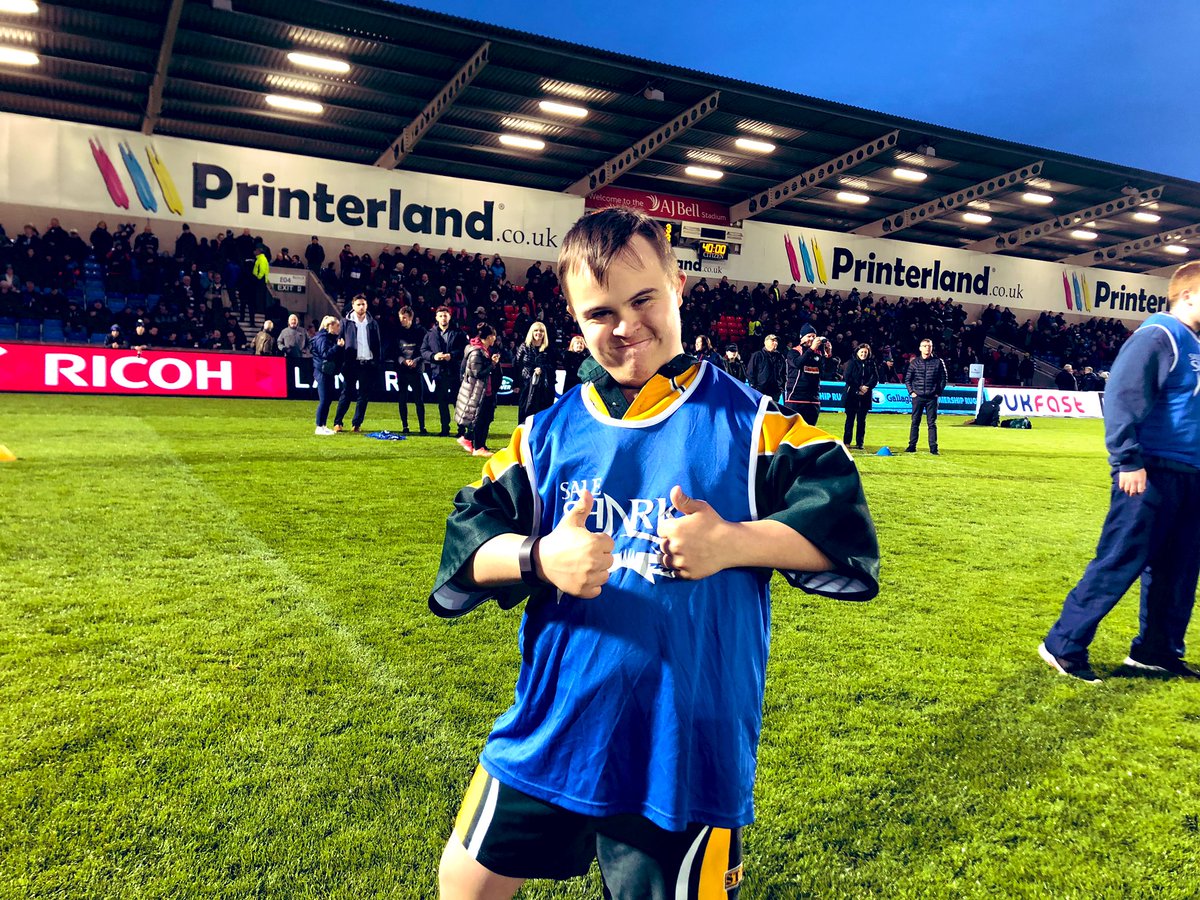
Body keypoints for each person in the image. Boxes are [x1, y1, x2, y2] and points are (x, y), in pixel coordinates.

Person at [430, 207, 879, 899]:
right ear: (576, 320)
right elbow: (467, 543)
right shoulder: (544, 436)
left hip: (682, 745)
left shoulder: (753, 424)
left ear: (677, 283)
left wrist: (732, 543)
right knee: (464, 883)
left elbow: (845, 532)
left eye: (643, 299)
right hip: (555, 722)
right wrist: (540, 558)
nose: (625, 325)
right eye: (599, 312)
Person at [1039, 261, 1200, 684]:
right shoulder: (1158, 335)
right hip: (1152, 470)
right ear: (1186, 295)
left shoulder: (1194, 343)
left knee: (1180, 569)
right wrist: (1128, 460)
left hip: (1190, 473)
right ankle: (1063, 644)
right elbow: (1123, 395)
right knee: (1119, 560)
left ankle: (1157, 650)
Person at [332, 294, 381, 433]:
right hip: (351, 363)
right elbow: (339, 341)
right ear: (353, 306)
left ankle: (357, 424)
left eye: (363, 304)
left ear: (367, 306)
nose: (361, 307)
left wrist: (376, 361)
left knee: (363, 396)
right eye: (358, 304)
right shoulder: (345, 322)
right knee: (347, 393)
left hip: (367, 363)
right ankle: (338, 422)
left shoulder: (372, 323)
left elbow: (377, 344)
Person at [454, 322, 501, 457]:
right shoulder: (476, 352)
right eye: (493, 336)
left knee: (481, 418)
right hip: (479, 392)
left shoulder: (480, 350)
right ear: (488, 337)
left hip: (481, 391)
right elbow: (477, 373)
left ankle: (470, 440)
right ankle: (478, 447)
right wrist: (492, 364)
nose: (495, 339)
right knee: (481, 420)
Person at [421, 306, 467, 438]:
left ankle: (461, 429)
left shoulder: (458, 332)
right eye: (440, 316)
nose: (443, 318)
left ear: (450, 317)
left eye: (445, 315)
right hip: (439, 372)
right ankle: (444, 428)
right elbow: (423, 351)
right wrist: (433, 356)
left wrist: (451, 355)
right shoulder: (430, 333)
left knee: (457, 402)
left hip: (455, 372)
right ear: (436, 318)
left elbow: (465, 349)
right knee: (442, 402)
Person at [904, 338, 948, 454]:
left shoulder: (938, 362)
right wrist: (911, 392)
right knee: (915, 422)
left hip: (932, 397)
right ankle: (912, 446)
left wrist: (938, 392)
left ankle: (933, 448)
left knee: (932, 423)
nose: (927, 348)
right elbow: (908, 379)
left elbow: (943, 379)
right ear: (920, 348)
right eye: (924, 346)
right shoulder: (914, 362)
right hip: (917, 397)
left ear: (932, 347)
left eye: (929, 346)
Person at [393, 305, 427, 435]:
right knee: (402, 398)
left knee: (419, 399)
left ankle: (422, 427)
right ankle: (405, 426)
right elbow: (393, 350)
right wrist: (402, 360)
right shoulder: (396, 332)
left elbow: (424, 350)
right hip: (402, 370)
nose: (402, 320)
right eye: (401, 318)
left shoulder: (421, 331)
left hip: (416, 370)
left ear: (411, 318)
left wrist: (416, 361)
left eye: (405, 318)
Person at [515, 321, 556, 422]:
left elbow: (553, 366)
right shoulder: (524, 347)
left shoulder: (549, 348)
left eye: (541, 331)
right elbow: (517, 366)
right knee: (525, 413)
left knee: (543, 415)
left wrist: (542, 369)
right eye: (536, 330)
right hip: (526, 386)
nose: (539, 333)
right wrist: (516, 384)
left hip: (544, 388)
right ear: (531, 332)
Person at [783, 332, 828, 424]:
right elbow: (797, 363)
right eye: (809, 336)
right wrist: (811, 349)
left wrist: (827, 354)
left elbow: (824, 373)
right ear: (801, 338)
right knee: (793, 431)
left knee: (810, 432)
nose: (811, 339)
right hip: (796, 398)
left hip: (813, 399)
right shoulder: (794, 351)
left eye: (814, 337)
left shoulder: (818, 353)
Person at [310, 315, 344, 436]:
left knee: (328, 399)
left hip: (328, 371)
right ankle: (319, 426)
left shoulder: (329, 337)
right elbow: (325, 354)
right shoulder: (322, 338)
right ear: (330, 326)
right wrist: (338, 347)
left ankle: (323, 425)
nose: (339, 328)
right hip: (322, 371)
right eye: (337, 326)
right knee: (324, 399)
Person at [842, 344, 879, 450]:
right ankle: (847, 442)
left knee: (862, 420)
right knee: (850, 419)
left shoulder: (871, 364)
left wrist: (867, 387)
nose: (863, 354)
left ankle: (860, 443)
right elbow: (847, 378)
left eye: (865, 352)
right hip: (851, 395)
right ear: (857, 352)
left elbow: (875, 378)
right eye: (862, 352)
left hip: (865, 395)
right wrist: (859, 387)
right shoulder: (851, 363)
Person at [747, 333, 783, 399]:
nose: (775, 343)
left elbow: (783, 372)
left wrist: (780, 387)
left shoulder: (779, 356)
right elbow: (750, 372)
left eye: (776, 341)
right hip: (760, 391)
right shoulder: (757, 355)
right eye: (773, 341)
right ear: (765, 342)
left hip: (775, 391)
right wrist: (754, 387)